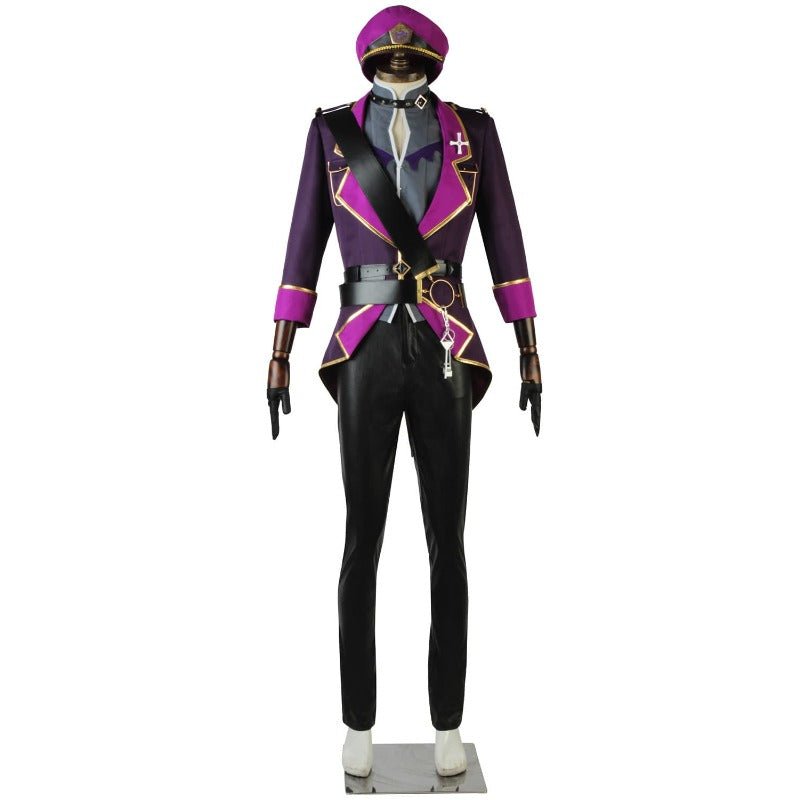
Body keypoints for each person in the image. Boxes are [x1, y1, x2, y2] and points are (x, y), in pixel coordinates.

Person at [267, 4, 542, 778]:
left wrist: (529, 346)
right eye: (387, 58)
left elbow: (506, 239)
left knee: (447, 542)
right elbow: (302, 241)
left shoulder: (474, 133)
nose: (399, 64)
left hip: (448, 342)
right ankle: (358, 722)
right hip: (363, 345)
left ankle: (448, 723)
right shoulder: (331, 133)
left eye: (412, 57)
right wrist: (281, 348)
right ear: (368, 62)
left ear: (432, 62)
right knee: (362, 539)